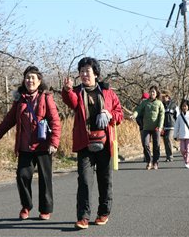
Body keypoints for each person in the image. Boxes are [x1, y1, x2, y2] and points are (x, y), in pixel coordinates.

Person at [0, 66, 61, 220]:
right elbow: (10, 119)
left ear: (39, 81)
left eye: (33, 78)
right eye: (27, 78)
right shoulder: (20, 99)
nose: (29, 81)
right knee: (22, 176)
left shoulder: (46, 97)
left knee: (45, 178)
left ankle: (45, 209)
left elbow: (55, 121)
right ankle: (26, 206)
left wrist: (54, 143)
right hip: (24, 146)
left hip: (43, 145)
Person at [61, 57, 123, 229]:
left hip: (104, 143)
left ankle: (103, 212)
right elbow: (70, 101)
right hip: (84, 143)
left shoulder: (108, 92)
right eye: (81, 71)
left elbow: (119, 114)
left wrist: (109, 114)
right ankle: (83, 217)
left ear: (96, 73)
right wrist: (67, 90)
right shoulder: (77, 92)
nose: (84, 74)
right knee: (85, 181)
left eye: (87, 71)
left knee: (105, 180)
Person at [131, 86, 165, 170]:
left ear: (156, 93)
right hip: (146, 127)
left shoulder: (159, 103)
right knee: (145, 144)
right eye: (151, 92)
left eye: (153, 92)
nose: (152, 93)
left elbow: (162, 115)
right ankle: (149, 161)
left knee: (156, 145)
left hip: (156, 128)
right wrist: (134, 115)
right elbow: (138, 110)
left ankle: (155, 162)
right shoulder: (145, 102)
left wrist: (160, 126)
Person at [173, 99, 189, 169]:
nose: (184, 107)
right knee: (182, 150)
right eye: (183, 106)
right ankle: (188, 160)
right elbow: (176, 126)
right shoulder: (179, 116)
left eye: (185, 106)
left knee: (188, 150)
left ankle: (188, 162)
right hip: (181, 136)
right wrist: (175, 135)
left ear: (188, 107)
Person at [161, 90, 179, 162]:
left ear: (167, 96)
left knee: (168, 138)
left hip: (172, 126)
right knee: (165, 141)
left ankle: (170, 156)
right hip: (164, 126)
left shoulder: (173, 105)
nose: (162, 98)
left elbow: (177, 116)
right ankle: (168, 156)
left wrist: (177, 126)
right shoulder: (161, 105)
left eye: (163, 96)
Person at [136, 92, 150, 162]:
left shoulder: (150, 106)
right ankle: (146, 155)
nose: (143, 100)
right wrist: (140, 124)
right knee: (144, 143)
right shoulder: (139, 107)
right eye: (143, 99)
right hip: (142, 127)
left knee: (147, 142)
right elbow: (137, 117)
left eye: (145, 99)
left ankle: (148, 156)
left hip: (150, 127)